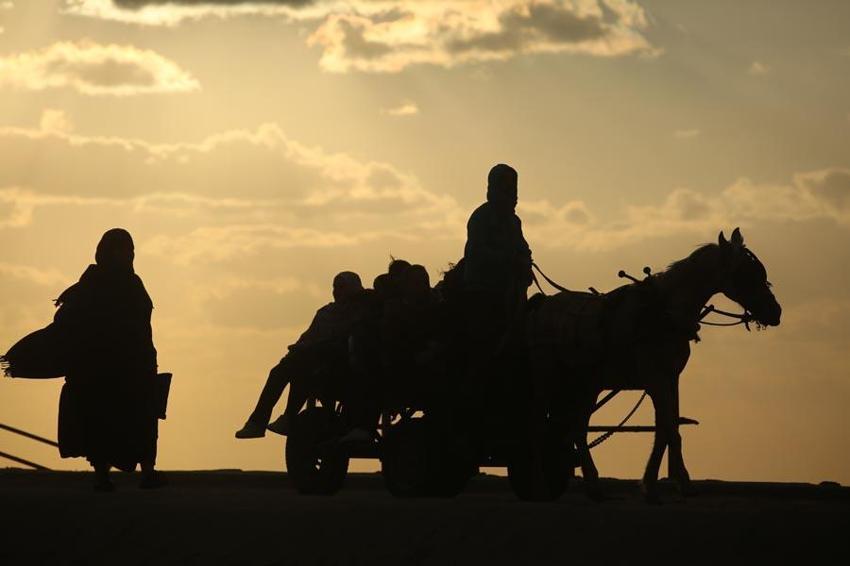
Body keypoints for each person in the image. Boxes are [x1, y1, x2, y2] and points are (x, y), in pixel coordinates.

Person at [54, 228, 164, 491]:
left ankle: (146, 473)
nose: (128, 255)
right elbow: (65, 324)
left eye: (130, 250)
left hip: (130, 368)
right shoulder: (92, 286)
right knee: (102, 422)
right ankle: (104, 476)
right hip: (102, 371)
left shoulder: (125, 283)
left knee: (141, 420)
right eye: (123, 250)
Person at [235, 271, 369, 439]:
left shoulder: (363, 311)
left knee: (299, 367)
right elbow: (307, 337)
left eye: (342, 287)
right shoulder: (325, 313)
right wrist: (297, 348)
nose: (337, 291)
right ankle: (259, 422)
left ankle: (285, 418)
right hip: (314, 364)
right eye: (335, 287)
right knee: (282, 370)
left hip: (341, 367)